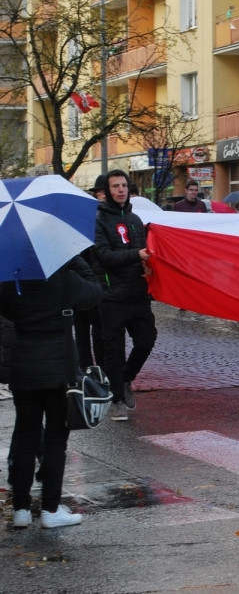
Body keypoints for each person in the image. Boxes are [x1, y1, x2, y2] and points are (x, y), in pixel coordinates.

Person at [2, 256, 102, 529]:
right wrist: (78, 260)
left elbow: (9, 313)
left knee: (25, 436)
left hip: (24, 367)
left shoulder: (10, 282)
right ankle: (50, 509)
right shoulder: (63, 279)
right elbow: (94, 292)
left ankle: (21, 509)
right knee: (56, 441)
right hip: (60, 371)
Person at [93, 169, 157, 422]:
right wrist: (136, 256)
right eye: (115, 186)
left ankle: (126, 378)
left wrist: (147, 266)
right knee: (113, 350)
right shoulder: (98, 220)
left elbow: (142, 251)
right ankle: (116, 398)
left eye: (124, 185)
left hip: (137, 294)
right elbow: (104, 256)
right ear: (107, 191)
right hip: (111, 296)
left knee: (146, 340)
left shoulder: (134, 219)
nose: (121, 190)